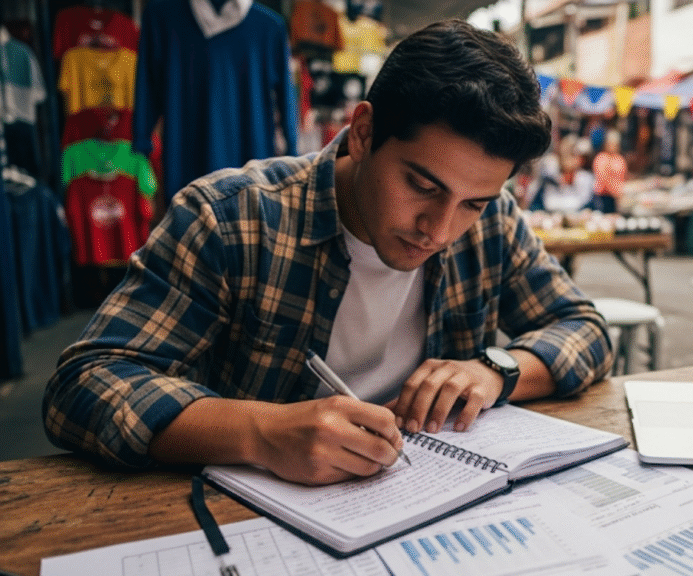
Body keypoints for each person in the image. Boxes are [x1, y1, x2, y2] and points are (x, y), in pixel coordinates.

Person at [44, 20, 613, 486]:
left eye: (473, 203)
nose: (439, 230)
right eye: (422, 185)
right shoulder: (232, 217)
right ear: (362, 132)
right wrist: (259, 432)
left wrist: (494, 370)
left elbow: (584, 328)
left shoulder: (490, 224)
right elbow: (85, 384)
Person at [591, 129, 627, 213]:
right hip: (603, 197)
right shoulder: (601, 158)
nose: (613, 146)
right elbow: (604, 179)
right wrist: (616, 193)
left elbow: (623, 178)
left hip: (617, 198)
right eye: (611, 143)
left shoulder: (620, 159)